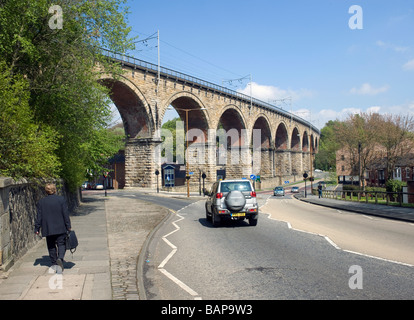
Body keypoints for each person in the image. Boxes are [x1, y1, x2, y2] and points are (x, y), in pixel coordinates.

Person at [35, 183, 71, 273]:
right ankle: (60, 258)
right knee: (61, 244)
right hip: (60, 227)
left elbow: (39, 217)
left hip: (48, 228)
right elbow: (65, 214)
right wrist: (68, 226)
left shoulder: (41, 202)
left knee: (51, 246)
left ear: (46, 191)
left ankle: (54, 264)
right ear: (54, 190)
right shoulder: (61, 200)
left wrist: (37, 228)